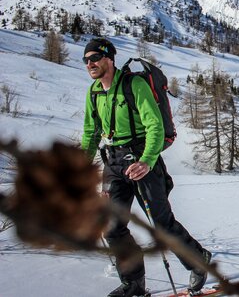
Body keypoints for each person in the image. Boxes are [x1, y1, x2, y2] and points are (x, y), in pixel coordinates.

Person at [80, 38, 211, 297]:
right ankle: (134, 283)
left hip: (142, 158)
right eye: (86, 60)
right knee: (112, 227)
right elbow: (90, 133)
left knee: (161, 223)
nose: (90, 64)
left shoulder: (134, 84)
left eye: (94, 58)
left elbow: (155, 126)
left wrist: (147, 161)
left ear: (109, 58)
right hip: (114, 163)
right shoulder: (94, 92)